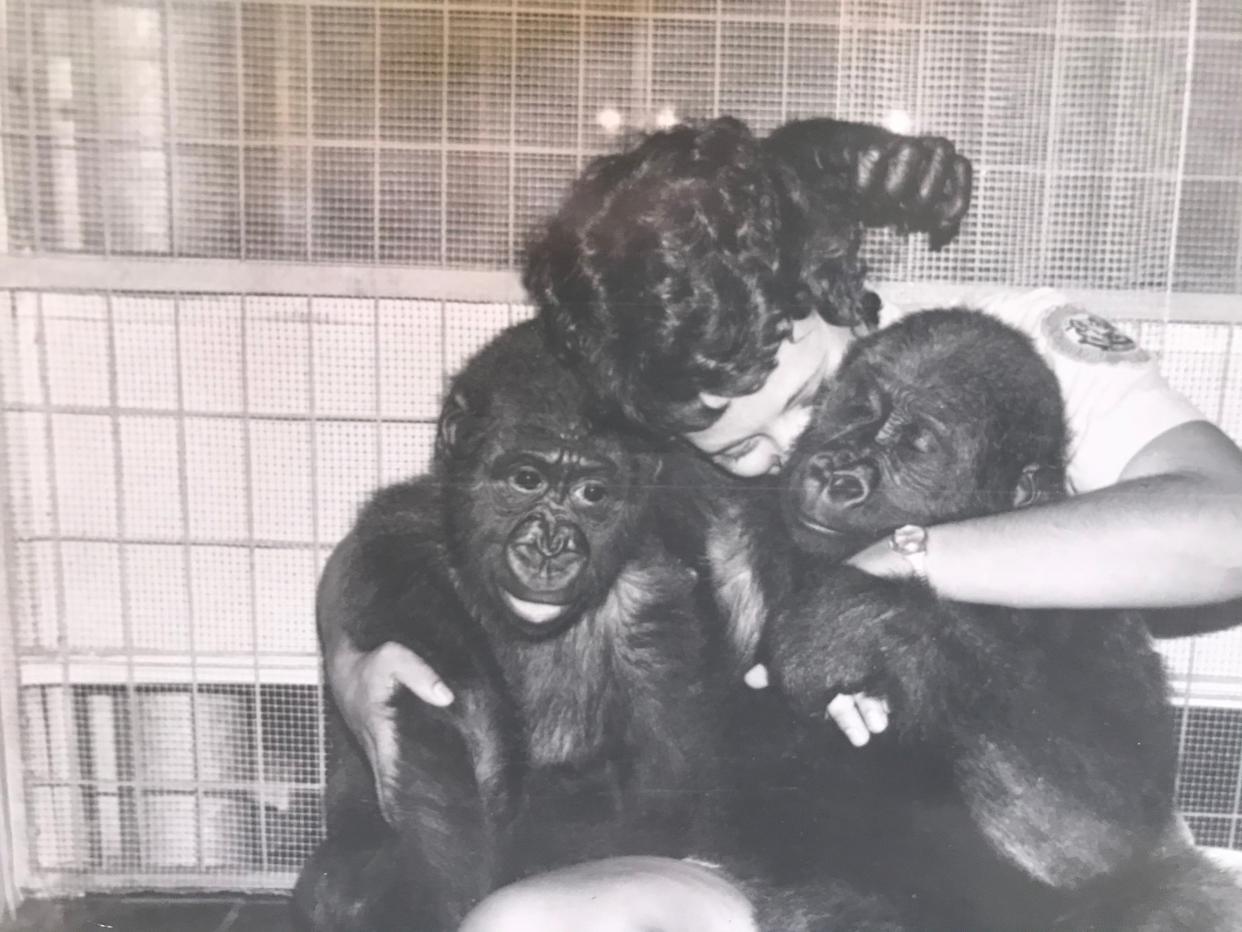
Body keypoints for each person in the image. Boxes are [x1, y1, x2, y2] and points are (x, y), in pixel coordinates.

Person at [322, 116, 1242, 930]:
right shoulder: (665, 385)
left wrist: (897, 569)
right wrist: (351, 661)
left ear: (833, 288)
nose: (792, 455)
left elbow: (1225, 529)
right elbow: (421, 529)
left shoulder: (1008, 351)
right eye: (737, 446)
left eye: (807, 398)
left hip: (1042, 845)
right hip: (788, 865)